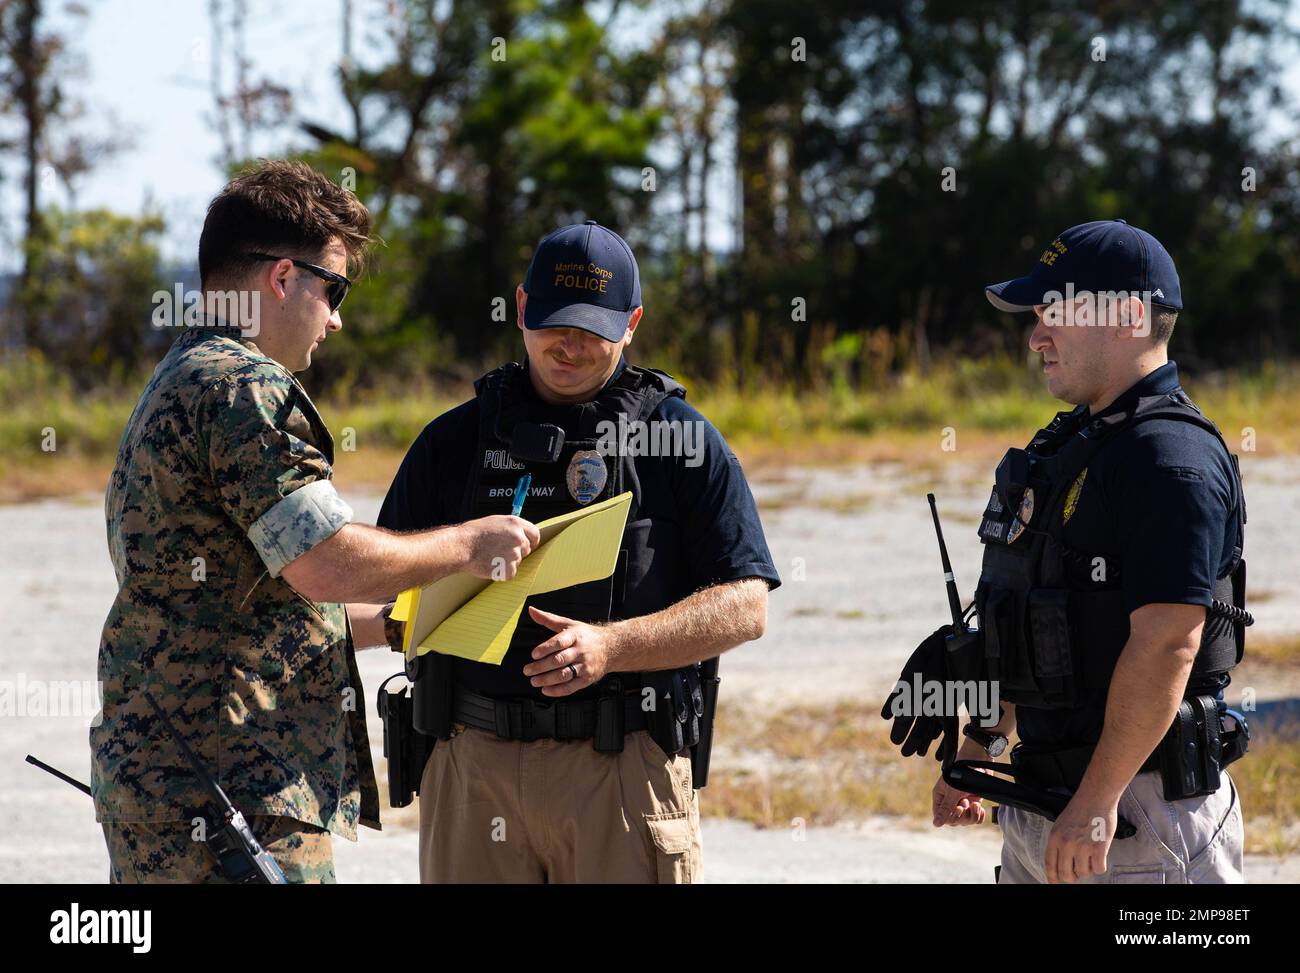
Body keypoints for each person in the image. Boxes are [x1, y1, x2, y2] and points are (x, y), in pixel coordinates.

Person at [92, 160, 538, 883]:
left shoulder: (181, 374)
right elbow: (323, 561)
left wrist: (396, 623)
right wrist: (469, 544)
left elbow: (239, 602)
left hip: (173, 781)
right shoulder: (244, 384)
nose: (335, 318)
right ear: (281, 278)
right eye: (333, 289)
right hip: (235, 789)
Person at [375, 220, 781, 883]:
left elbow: (747, 606)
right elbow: (380, 586)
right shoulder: (452, 442)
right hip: (474, 766)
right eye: (558, 320)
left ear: (633, 323)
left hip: (620, 768)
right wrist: (454, 555)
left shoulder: (682, 440)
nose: (572, 343)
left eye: (595, 326)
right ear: (523, 307)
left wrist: (612, 647)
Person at [888, 219, 1250, 884]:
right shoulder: (1072, 448)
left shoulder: (1169, 460)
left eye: (1056, 311)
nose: (1035, 335)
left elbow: (1169, 640)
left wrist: (1097, 801)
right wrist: (983, 745)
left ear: (1129, 316)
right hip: (1052, 802)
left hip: (1137, 817)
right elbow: (1037, 616)